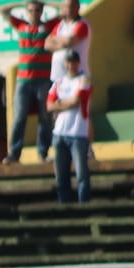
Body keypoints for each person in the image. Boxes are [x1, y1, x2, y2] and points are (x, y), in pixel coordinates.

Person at [1, 0, 59, 164]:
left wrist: (47, 2)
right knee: (19, 117)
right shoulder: (21, 26)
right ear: (26, 12)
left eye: (37, 10)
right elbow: (2, 10)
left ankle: (43, 153)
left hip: (43, 79)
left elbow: (63, 10)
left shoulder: (48, 26)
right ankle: (14, 154)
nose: (34, 13)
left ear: (42, 12)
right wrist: (20, 3)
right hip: (23, 80)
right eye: (31, 10)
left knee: (45, 117)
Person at [46, 51, 91, 203]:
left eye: (73, 62)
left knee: (81, 174)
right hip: (59, 132)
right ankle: (64, 205)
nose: (71, 65)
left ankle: (84, 204)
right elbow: (49, 106)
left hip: (78, 132)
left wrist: (59, 104)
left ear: (78, 63)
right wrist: (62, 104)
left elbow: (76, 101)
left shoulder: (84, 80)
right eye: (68, 62)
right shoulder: (59, 82)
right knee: (61, 175)